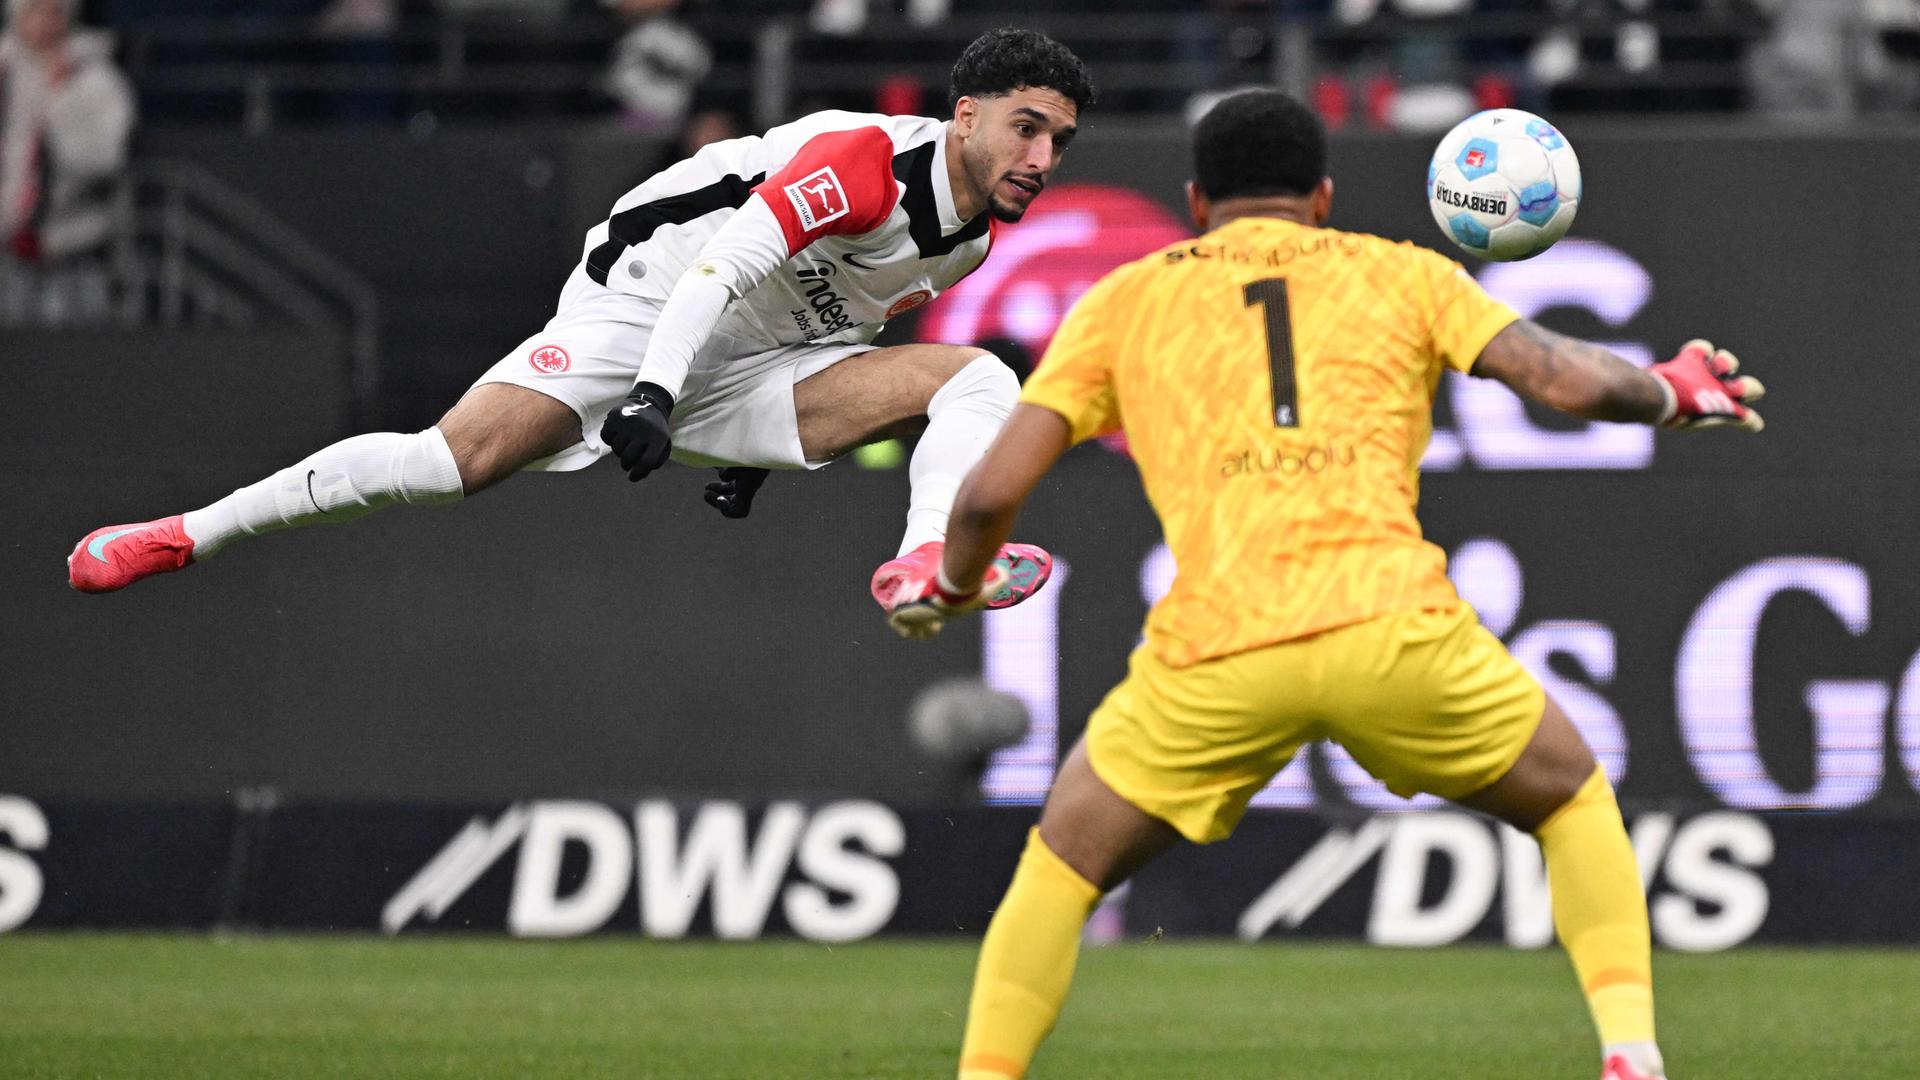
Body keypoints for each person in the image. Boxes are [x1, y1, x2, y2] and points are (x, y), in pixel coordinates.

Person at [881, 89, 1765, 1080]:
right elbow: (1570, 382)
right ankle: (1631, 1051)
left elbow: (992, 490)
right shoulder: (1402, 273)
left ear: (1196, 199)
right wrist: (1672, 388)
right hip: (1392, 629)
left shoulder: (1125, 300)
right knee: (1568, 796)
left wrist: (955, 585)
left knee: (1064, 861)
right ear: (1325, 196)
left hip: (1217, 653)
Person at [67, 27, 1092, 616]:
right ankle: (186, 533)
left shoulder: (968, 238)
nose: (1041, 160)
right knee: (447, 465)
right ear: (966, 114)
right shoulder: (865, 162)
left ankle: (927, 563)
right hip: (645, 302)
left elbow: (829, 323)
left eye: (1059, 140)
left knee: (979, 377)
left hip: (747, 360)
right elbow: (723, 264)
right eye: (1025, 128)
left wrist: (757, 451)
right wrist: (652, 391)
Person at [0, 0, 135, 326]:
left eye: (56, 10)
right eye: (36, 10)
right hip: (5, 255)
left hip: (72, 256)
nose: (47, 21)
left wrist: (62, 99)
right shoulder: (5, 75)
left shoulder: (96, 80)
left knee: (76, 367)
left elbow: (104, 160)